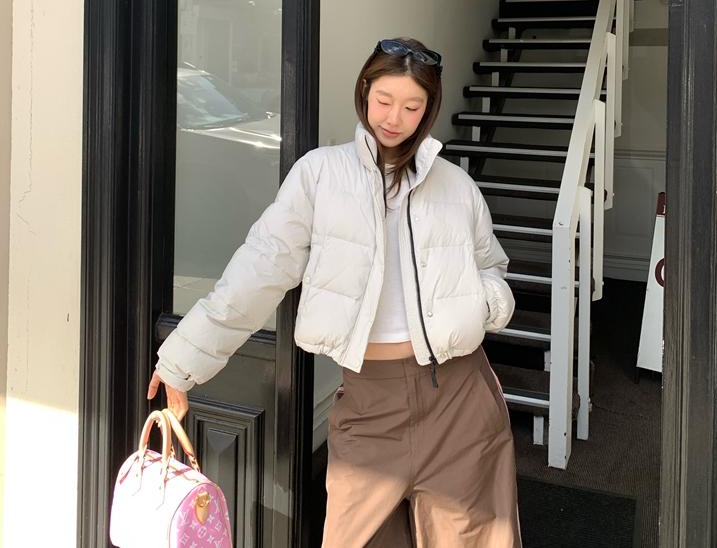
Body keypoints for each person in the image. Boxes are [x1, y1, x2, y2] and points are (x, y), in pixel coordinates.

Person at [148, 36, 522, 547]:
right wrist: (184, 358)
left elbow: (491, 267)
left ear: (429, 110)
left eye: (412, 107)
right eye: (384, 100)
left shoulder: (456, 187)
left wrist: (486, 305)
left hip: (461, 401)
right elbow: (259, 269)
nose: (394, 118)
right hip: (369, 405)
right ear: (364, 91)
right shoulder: (320, 174)